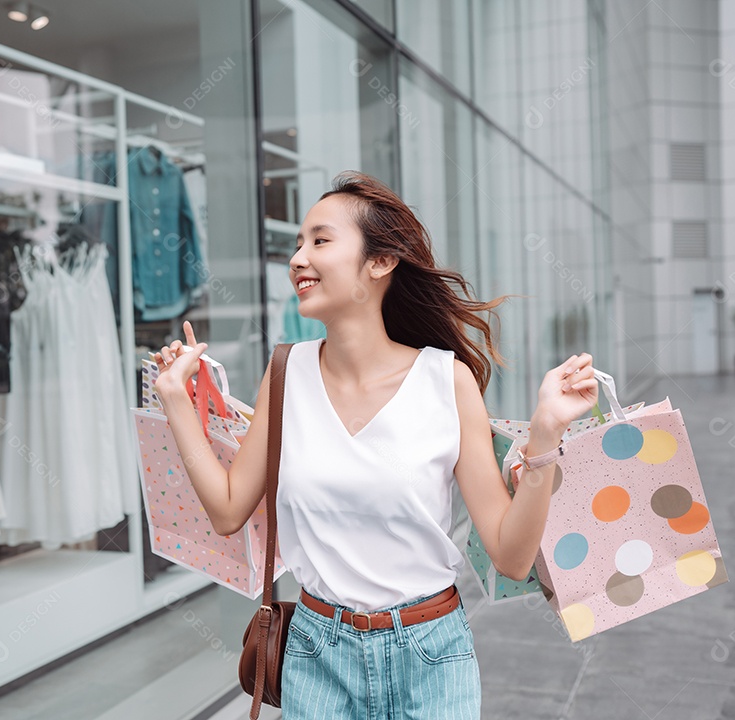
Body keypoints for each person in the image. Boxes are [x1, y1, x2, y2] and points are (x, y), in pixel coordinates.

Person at [151, 171, 599, 719]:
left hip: (431, 655)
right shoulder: (285, 374)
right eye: (297, 244)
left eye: (320, 240)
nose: (297, 259)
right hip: (317, 654)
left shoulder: (445, 380)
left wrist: (546, 435)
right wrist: (175, 399)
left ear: (380, 261)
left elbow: (510, 554)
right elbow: (226, 511)